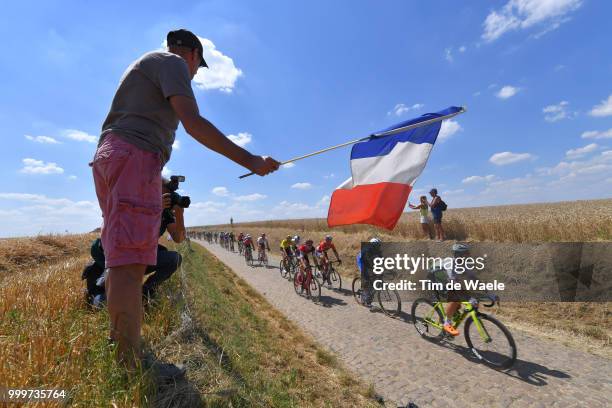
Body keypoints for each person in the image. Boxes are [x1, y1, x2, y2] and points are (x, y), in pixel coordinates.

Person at [91, 29, 280, 369]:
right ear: (192, 53)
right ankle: (128, 365)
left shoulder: (147, 66)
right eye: (199, 65)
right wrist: (251, 160)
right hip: (135, 156)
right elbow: (193, 123)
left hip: (118, 156)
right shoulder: (172, 63)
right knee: (129, 268)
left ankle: (124, 352)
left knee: (123, 259)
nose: (195, 73)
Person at [83, 178, 186, 305]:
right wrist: (153, 209)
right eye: (163, 193)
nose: (168, 197)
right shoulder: (135, 203)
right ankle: (99, 281)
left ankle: (145, 294)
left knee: (174, 259)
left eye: (170, 195)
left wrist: (180, 214)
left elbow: (178, 238)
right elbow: (129, 234)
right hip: (116, 255)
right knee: (106, 302)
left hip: (140, 257)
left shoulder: (165, 213)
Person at [356, 238, 382, 306]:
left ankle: (369, 293)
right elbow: (368, 262)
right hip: (361, 261)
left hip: (368, 261)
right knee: (367, 277)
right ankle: (364, 292)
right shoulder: (367, 249)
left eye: (379, 245)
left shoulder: (377, 249)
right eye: (377, 245)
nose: (378, 246)